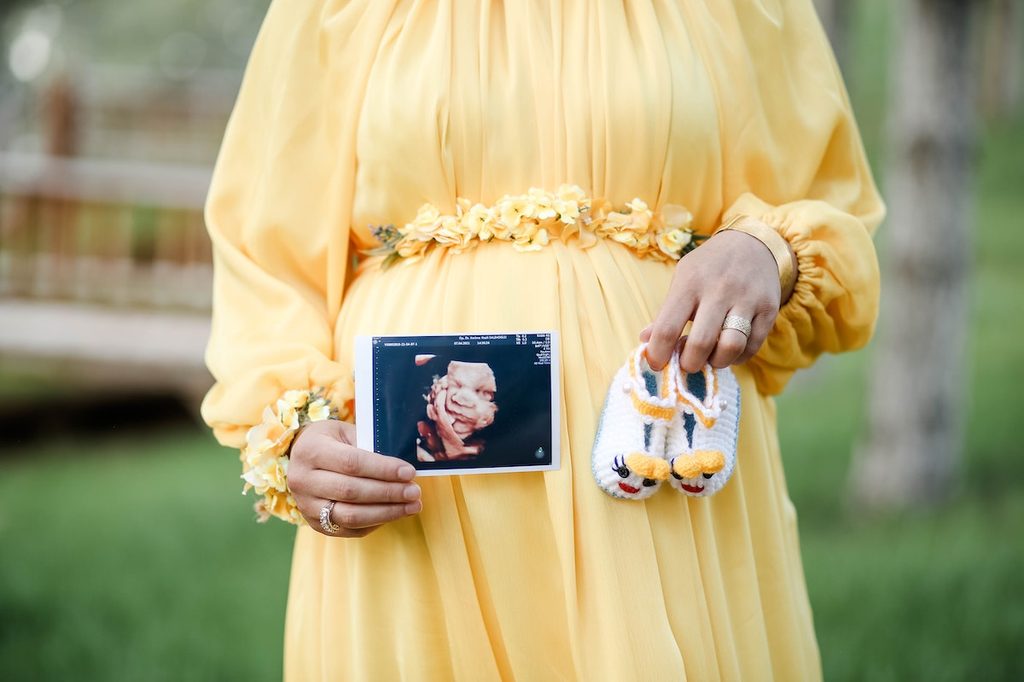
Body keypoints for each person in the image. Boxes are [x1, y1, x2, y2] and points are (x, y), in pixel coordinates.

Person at [199, 1, 883, 679]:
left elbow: (829, 198)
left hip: (659, 466)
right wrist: (297, 428)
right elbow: (265, 249)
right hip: (418, 509)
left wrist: (767, 250)